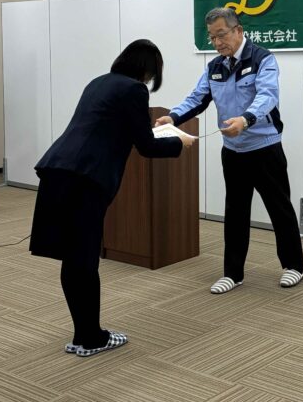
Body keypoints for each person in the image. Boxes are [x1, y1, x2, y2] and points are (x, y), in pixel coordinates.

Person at [30, 39, 195, 358]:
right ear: (147, 69)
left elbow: (109, 129)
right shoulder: (134, 90)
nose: (150, 80)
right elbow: (146, 146)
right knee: (84, 260)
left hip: (58, 170)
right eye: (153, 74)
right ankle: (92, 338)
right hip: (84, 179)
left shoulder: (99, 82)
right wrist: (180, 143)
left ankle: (82, 335)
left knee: (73, 259)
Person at [156, 7, 303, 294]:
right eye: (212, 37)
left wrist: (245, 120)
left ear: (238, 30)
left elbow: (267, 96)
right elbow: (197, 98)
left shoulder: (262, 59)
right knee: (235, 212)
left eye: (221, 35)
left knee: (279, 208)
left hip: (264, 147)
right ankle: (233, 273)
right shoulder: (215, 66)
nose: (217, 42)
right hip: (233, 151)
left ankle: (294, 266)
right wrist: (173, 117)